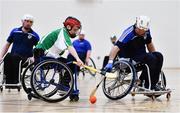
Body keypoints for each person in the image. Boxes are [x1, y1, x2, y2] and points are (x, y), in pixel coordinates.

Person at [105, 16, 163, 90]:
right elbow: (116, 47)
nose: (142, 31)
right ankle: (146, 84)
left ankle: (153, 83)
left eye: (144, 30)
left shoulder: (146, 31)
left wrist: (155, 56)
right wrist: (110, 61)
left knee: (159, 56)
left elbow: (149, 44)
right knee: (150, 58)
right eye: (141, 29)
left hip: (141, 56)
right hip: (129, 59)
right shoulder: (128, 33)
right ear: (137, 25)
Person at [33, 16, 84, 101]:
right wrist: (78, 59)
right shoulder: (63, 33)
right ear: (68, 27)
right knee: (73, 63)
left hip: (44, 54)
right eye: (75, 30)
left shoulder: (62, 33)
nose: (76, 33)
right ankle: (64, 85)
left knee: (71, 62)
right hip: (42, 55)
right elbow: (70, 47)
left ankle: (64, 84)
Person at [0, 14, 40, 87]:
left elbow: (39, 49)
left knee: (15, 57)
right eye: (26, 21)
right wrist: (1, 57)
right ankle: (8, 81)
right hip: (13, 56)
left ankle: (16, 81)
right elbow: (7, 45)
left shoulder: (34, 35)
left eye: (31, 22)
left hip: (26, 58)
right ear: (22, 21)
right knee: (7, 56)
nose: (28, 23)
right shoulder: (15, 32)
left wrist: (34, 58)